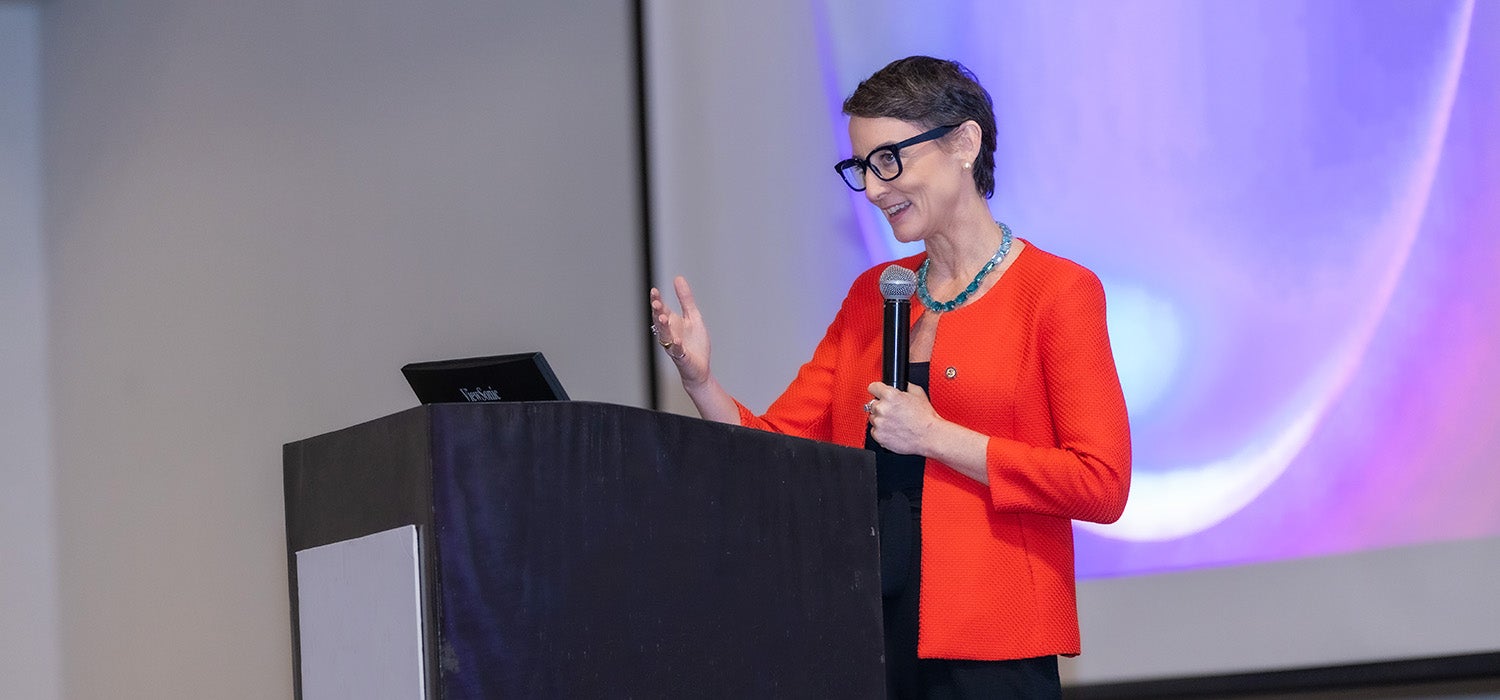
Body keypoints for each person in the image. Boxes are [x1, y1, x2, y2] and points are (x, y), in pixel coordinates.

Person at [649, 56, 1131, 699]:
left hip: (993, 641)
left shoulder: (1057, 292)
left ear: (964, 143)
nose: (874, 189)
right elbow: (776, 447)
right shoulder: (871, 296)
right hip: (866, 627)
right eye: (861, 168)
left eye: (889, 160)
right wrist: (700, 379)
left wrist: (936, 436)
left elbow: (1101, 483)